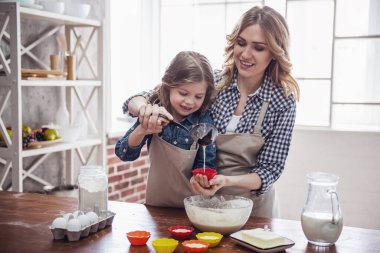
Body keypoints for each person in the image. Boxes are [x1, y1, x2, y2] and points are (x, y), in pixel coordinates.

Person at [124, 6, 299, 218]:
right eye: (241, 43)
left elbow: (270, 169)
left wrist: (227, 180)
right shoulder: (212, 84)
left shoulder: (283, 101)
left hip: (252, 209)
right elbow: (139, 99)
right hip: (204, 202)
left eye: (258, 48)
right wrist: (144, 109)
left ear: (274, 52)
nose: (245, 54)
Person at [115, 51, 216, 208]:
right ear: (168, 87)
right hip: (155, 206)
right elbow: (123, 152)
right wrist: (143, 129)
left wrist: (203, 178)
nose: (190, 101)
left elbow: (206, 163)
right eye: (183, 93)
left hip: (191, 209)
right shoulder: (155, 112)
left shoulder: (203, 122)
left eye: (198, 96)